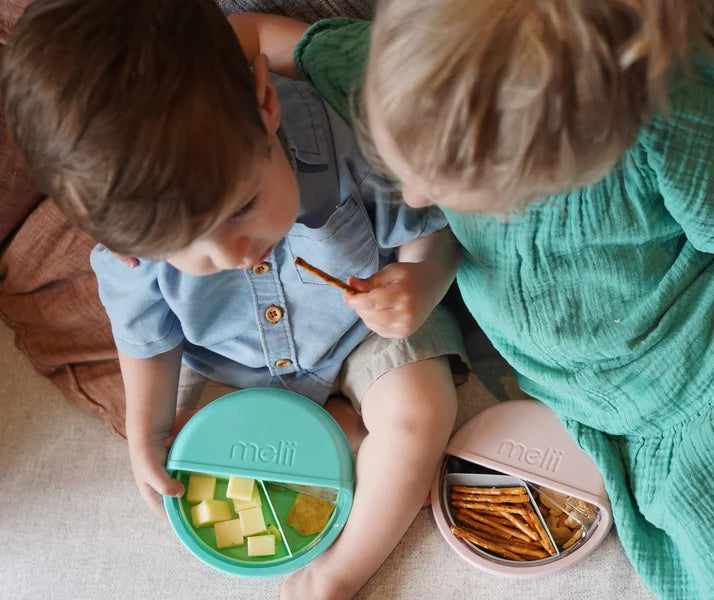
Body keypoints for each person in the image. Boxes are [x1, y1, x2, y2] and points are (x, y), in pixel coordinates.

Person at [234, 1, 714, 598]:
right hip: (656, 436)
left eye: (442, 188)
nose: (411, 202)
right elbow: (250, 33)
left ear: (554, 168)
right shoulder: (412, 73)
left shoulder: (657, 119)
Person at [0, 2, 469, 599]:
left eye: (244, 205)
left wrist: (422, 284)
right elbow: (144, 336)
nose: (233, 253)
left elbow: (436, 225)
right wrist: (146, 433)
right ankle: (340, 435)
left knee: (421, 414)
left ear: (264, 105)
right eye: (185, 247)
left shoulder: (346, 137)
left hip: (362, 331)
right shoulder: (131, 245)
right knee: (196, 473)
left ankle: (340, 571)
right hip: (234, 360)